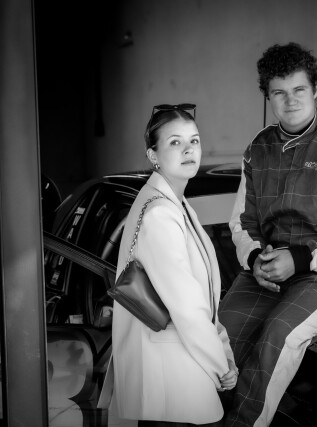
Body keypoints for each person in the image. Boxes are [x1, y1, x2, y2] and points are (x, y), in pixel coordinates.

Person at [218, 42, 317, 427]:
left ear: (315, 89)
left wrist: (302, 258)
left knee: (279, 334)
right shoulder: (257, 150)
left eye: (299, 90)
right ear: (268, 96)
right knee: (216, 339)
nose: (290, 101)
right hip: (268, 272)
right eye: (279, 92)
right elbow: (243, 222)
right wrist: (256, 259)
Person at [111, 103, 238, 426]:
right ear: (153, 155)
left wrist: (224, 354)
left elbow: (205, 302)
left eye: (194, 140)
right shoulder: (160, 214)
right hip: (172, 380)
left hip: (177, 371)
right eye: (175, 142)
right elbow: (187, 306)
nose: (188, 149)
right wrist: (221, 365)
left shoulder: (175, 205)